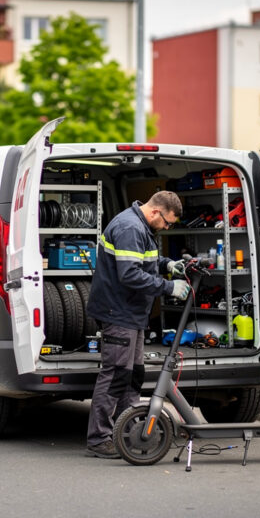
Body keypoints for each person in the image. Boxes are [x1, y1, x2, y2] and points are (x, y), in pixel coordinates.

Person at [85, 190, 190, 459]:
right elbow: (130, 273)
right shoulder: (130, 227)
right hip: (118, 312)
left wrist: (169, 265)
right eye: (167, 222)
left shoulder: (142, 226)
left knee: (132, 376)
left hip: (132, 314)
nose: (167, 228)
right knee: (116, 375)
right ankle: (99, 439)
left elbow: (144, 260)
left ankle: (127, 430)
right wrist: (168, 287)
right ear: (155, 211)